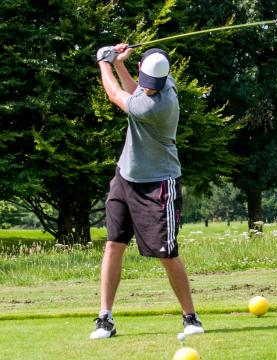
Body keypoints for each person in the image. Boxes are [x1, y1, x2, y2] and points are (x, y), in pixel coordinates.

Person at [91, 44, 203, 339]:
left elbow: (117, 94)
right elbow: (136, 89)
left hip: (158, 183)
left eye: (153, 85)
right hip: (125, 176)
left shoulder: (157, 106)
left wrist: (105, 61)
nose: (149, 89)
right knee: (114, 244)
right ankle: (105, 318)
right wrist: (122, 63)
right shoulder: (161, 82)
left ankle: (191, 318)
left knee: (167, 253)